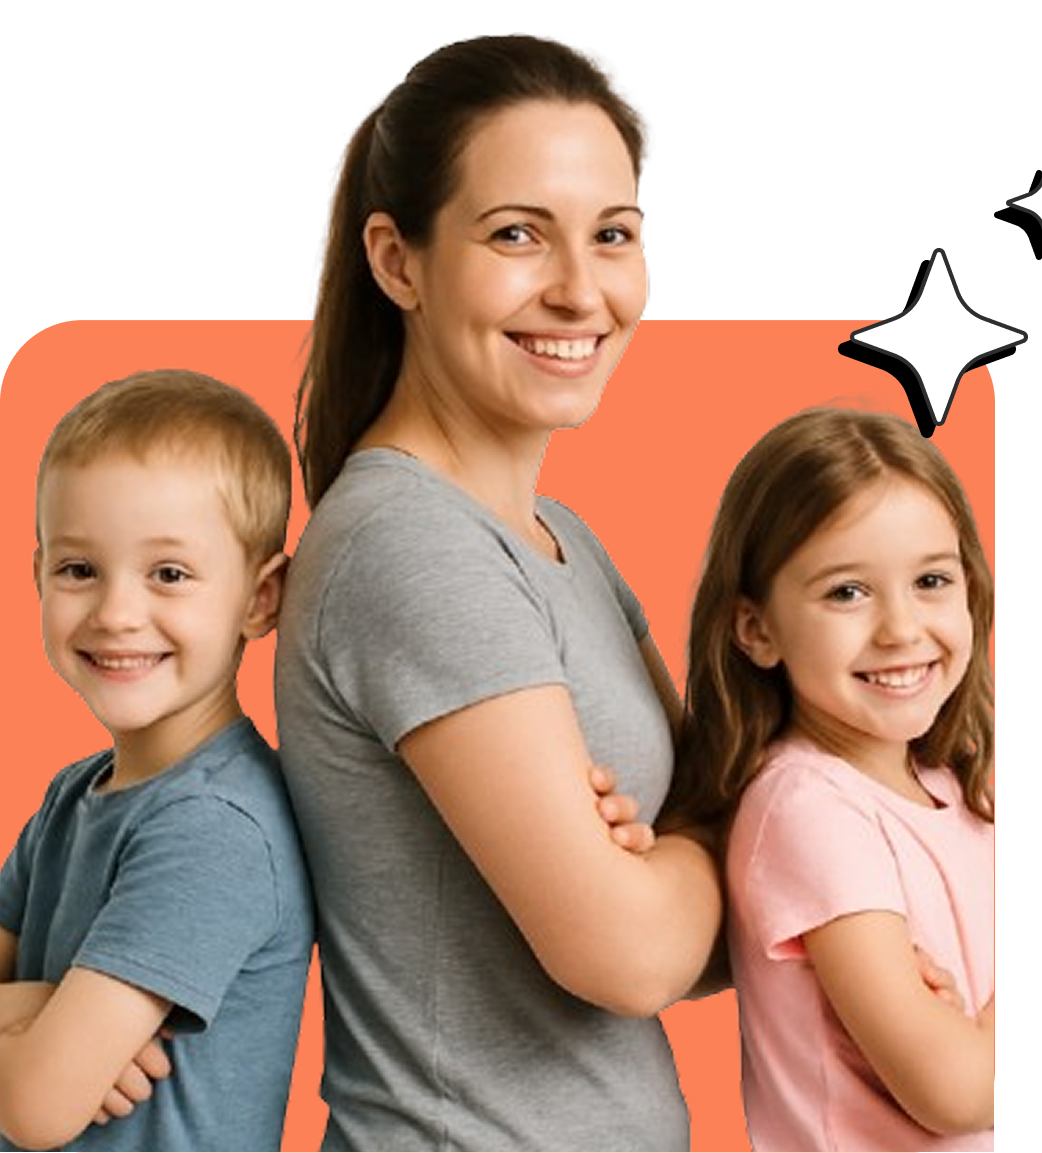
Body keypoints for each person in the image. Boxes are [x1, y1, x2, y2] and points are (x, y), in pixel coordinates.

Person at [275, 33, 724, 1152]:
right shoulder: (411, 545)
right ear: (399, 262)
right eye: (517, 233)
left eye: (613, 234)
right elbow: (630, 955)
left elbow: (719, 912)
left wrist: (675, 859)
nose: (579, 291)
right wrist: (695, 850)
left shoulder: (559, 541)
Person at [0, 371, 314, 1152]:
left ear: (260, 598)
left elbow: (37, 1106)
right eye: (79, 569)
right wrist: (29, 1012)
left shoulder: (215, 828)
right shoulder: (72, 796)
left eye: (168, 574)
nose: (116, 613)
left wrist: (45, 1042)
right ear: (37, 574)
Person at [670, 406, 994, 1151]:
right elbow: (956, 1091)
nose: (901, 629)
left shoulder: (950, 784)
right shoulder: (810, 809)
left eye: (932, 580)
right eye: (847, 592)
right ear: (757, 629)